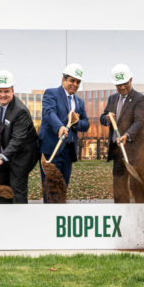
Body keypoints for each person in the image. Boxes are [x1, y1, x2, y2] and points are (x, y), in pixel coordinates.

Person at [0, 69, 40, 203]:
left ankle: (19, 222)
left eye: (6, 91)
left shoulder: (21, 112)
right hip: (2, 153)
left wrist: (1, 158)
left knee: (16, 191)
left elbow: (17, 140)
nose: (2, 95)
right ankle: (3, 220)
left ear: (12, 91)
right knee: (1, 189)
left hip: (22, 156)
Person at [98, 64, 144, 203]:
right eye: (118, 84)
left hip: (136, 150)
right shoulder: (112, 99)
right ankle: (121, 214)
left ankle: (141, 216)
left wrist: (127, 135)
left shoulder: (140, 99)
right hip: (118, 150)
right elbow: (103, 118)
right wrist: (107, 118)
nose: (121, 87)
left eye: (124, 83)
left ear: (131, 80)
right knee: (119, 186)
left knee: (137, 186)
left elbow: (139, 122)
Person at [38, 63, 91, 200]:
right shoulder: (51, 93)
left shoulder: (79, 102)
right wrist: (60, 127)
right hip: (52, 150)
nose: (75, 84)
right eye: (72, 80)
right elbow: (49, 113)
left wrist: (76, 122)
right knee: (51, 191)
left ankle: (59, 218)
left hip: (68, 151)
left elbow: (85, 124)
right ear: (63, 79)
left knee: (62, 189)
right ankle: (49, 219)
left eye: (78, 82)